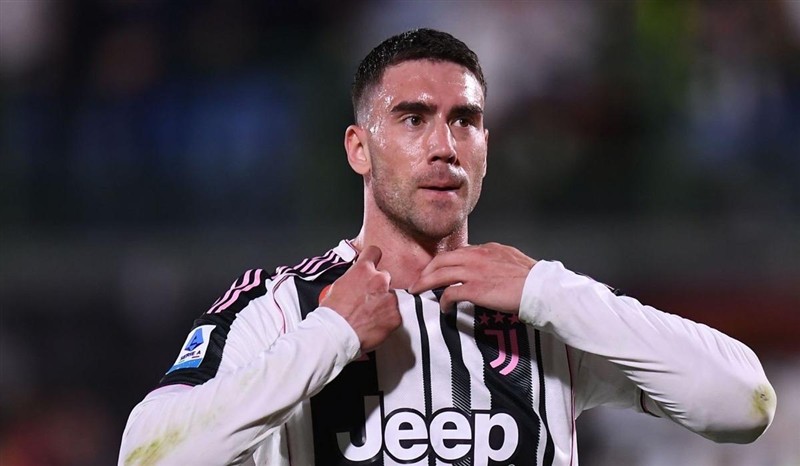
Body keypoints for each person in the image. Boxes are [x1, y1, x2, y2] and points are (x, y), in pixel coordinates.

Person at [118, 29, 776, 466]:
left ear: (486, 147)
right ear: (359, 148)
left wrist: (548, 290)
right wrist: (330, 337)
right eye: (413, 119)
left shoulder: (543, 308)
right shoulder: (284, 306)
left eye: (465, 121)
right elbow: (146, 454)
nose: (443, 146)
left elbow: (743, 403)